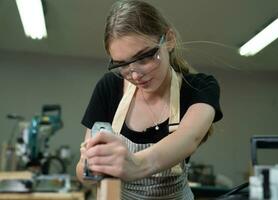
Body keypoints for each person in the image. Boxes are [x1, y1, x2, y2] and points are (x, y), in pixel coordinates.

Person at [76, 0, 223, 199]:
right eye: (123, 65)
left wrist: (135, 165)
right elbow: (83, 173)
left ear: (168, 40)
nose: (135, 76)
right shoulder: (109, 87)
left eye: (144, 58)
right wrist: (91, 167)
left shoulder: (199, 88)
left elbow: (189, 138)